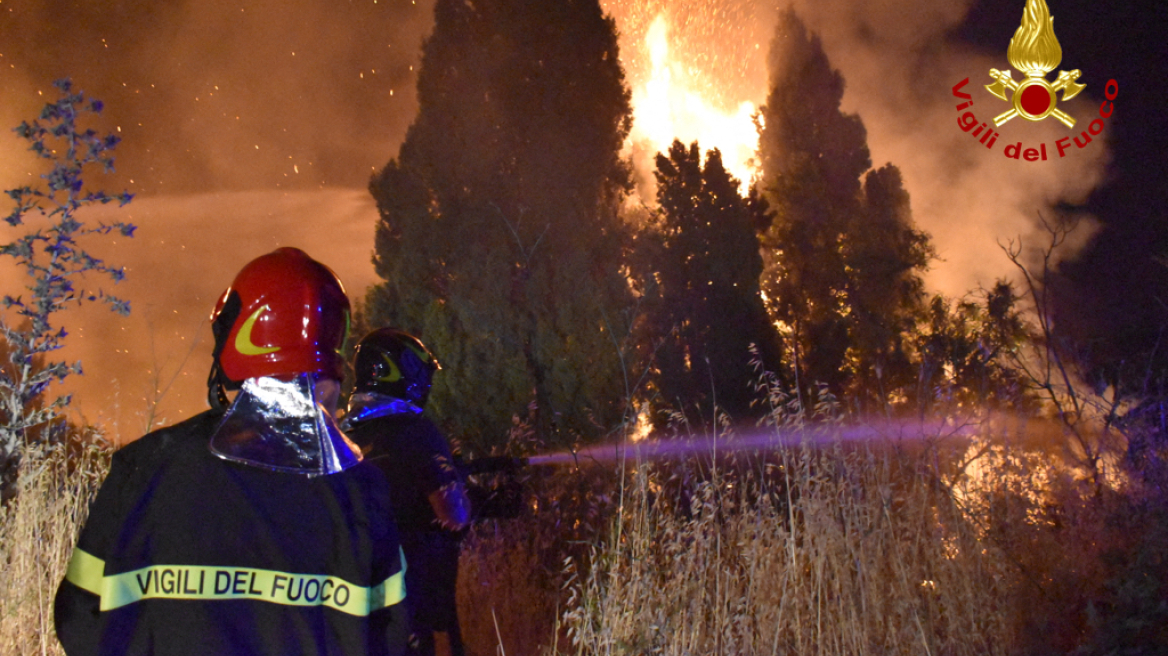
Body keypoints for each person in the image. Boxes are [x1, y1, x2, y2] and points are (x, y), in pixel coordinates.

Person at [54, 247, 409, 656]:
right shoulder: (361, 488)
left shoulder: (146, 467)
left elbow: (78, 620)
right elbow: (391, 633)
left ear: (233, 338)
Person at [344, 328, 471, 656]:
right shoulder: (416, 431)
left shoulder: (340, 435)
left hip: (345, 609)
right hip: (403, 604)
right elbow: (454, 514)